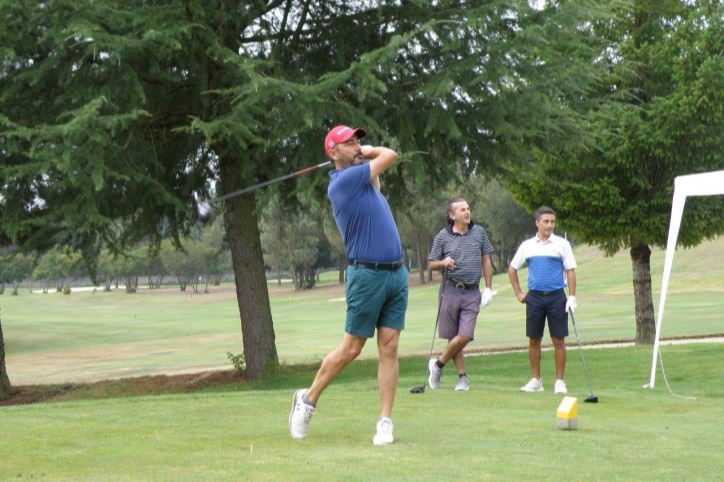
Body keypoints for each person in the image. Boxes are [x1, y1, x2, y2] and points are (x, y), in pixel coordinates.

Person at [288, 125, 408, 446]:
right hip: (366, 276)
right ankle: (308, 399)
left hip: (396, 274)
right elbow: (391, 155)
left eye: (359, 140)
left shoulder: (364, 182)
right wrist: (367, 153)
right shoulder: (342, 182)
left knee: (390, 347)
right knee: (352, 348)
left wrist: (360, 153)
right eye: (349, 143)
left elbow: (379, 170)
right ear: (332, 152)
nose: (358, 146)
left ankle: (385, 421)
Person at [507, 206, 577, 394]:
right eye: (546, 221)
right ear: (537, 223)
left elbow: (570, 270)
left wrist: (571, 296)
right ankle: (536, 380)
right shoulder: (527, 245)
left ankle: (559, 381)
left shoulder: (562, 244)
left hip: (556, 297)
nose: (550, 225)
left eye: (552, 222)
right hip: (535, 298)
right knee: (534, 340)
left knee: (559, 340)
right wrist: (519, 293)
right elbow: (512, 269)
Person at [427, 197, 494, 391]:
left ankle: (438, 364)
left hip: (472, 291)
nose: (467, 212)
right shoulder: (442, 236)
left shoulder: (479, 232)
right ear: (452, 215)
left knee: (464, 335)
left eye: (468, 208)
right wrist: (443, 262)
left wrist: (488, 287)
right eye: (462, 209)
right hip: (450, 290)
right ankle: (462, 377)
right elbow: (431, 264)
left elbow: (487, 260)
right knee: (453, 337)